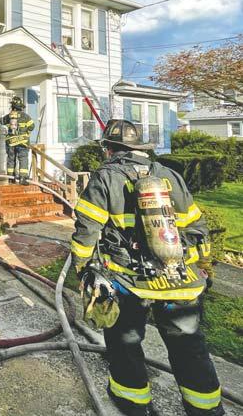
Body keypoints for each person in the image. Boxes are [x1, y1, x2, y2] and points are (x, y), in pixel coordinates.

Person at [71, 119, 223, 416]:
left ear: (109, 149)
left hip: (129, 279)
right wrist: (204, 266)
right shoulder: (169, 174)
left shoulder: (105, 177)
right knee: (189, 344)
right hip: (180, 275)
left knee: (126, 340)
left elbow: (87, 230)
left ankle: (133, 401)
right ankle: (205, 408)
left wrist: (82, 268)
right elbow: (196, 226)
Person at [2, 96, 34, 185]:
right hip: (23, 142)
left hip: (11, 143)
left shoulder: (8, 117)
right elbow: (32, 127)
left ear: (12, 106)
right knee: (23, 159)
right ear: (21, 107)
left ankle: (10, 178)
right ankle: (22, 178)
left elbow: (0, 122)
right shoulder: (25, 116)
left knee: (11, 159)